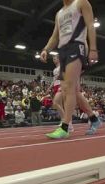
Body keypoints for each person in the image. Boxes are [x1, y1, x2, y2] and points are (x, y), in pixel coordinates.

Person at [41, 0, 100, 139]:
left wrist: (92, 48)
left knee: (69, 87)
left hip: (77, 46)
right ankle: (94, 119)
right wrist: (46, 49)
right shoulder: (59, 13)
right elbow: (55, 35)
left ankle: (65, 126)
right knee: (71, 91)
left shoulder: (81, 3)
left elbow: (91, 26)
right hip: (62, 51)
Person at [48, 55, 74, 132]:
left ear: (59, 59)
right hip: (56, 86)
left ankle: (67, 122)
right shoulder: (54, 70)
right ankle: (66, 122)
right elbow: (54, 79)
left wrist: (62, 86)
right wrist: (50, 87)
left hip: (61, 85)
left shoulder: (62, 67)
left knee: (61, 104)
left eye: (55, 58)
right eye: (53, 59)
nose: (53, 60)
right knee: (59, 105)